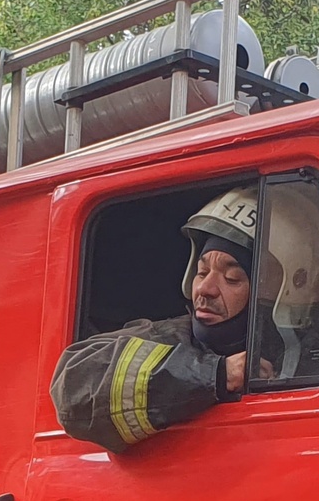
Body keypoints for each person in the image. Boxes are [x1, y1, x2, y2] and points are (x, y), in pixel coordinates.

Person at [53, 186, 264, 450]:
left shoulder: (315, 357)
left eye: (231, 278)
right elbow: (72, 386)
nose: (205, 289)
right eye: (201, 272)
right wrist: (216, 375)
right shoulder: (166, 337)